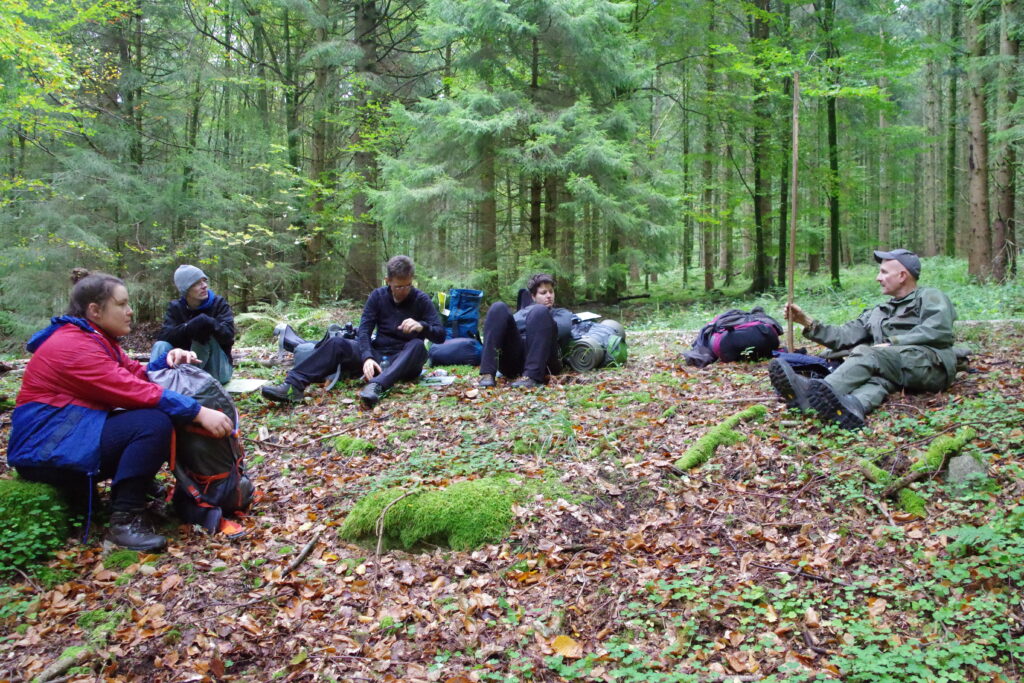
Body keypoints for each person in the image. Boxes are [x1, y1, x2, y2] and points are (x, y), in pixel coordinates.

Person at [8, 271, 234, 551]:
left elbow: (135, 373)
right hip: (44, 453)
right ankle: (125, 519)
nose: (130, 312)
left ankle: (136, 489)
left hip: (67, 435)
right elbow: (132, 390)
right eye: (122, 304)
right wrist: (198, 411)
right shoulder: (73, 346)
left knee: (153, 418)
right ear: (95, 310)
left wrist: (167, 360)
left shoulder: (93, 338)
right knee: (152, 424)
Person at [769, 248, 958, 429]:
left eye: (884, 272)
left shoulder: (929, 296)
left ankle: (809, 395)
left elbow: (939, 329)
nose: (878, 278)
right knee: (878, 379)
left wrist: (893, 343)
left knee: (869, 354)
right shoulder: (879, 311)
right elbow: (844, 335)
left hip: (931, 366)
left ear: (902, 276)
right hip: (897, 368)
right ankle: (854, 407)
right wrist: (807, 322)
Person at [261, 255, 445, 408]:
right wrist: (367, 357)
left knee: (417, 346)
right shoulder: (378, 296)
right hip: (378, 355)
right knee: (337, 343)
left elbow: (440, 335)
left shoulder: (421, 299)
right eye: (398, 286)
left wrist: (423, 326)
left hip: (405, 361)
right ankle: (292, 386)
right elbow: (364, 330)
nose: (404, 291)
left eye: (408, 286)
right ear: (388, 281)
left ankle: (376, 386)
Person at [477, 273, 573, 389]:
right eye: (543, 293)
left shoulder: (561, 313)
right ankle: (487, 374)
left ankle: (531, 377)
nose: (549, 296)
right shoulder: (521, 313)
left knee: (540, 311)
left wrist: (538, 320)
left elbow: (563, 329)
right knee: (498, 308)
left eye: (551, 292)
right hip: (515, 361)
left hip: (545, 362)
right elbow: (500, 329)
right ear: (533, 296)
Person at [152, 265, 235, 384]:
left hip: (218, 369)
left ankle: (188, 385)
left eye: (204, 281)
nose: (204, 286)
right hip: (184, 368)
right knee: (161, 345)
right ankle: (153, 385)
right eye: (197, 283)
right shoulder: (176, 307)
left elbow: (228, 336)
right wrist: (189, 326)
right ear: (185, 289)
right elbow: (165, 336)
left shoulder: (219, 304)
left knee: (204, 334)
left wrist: (208, 322)